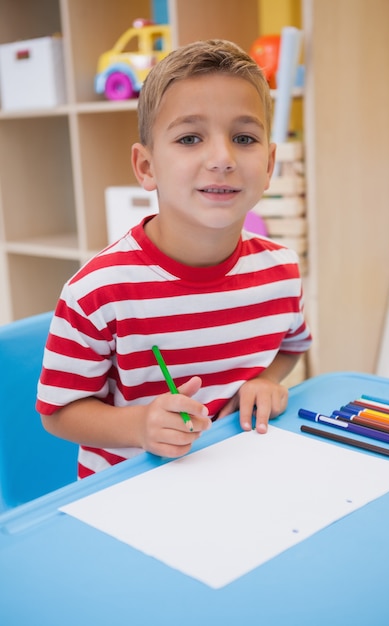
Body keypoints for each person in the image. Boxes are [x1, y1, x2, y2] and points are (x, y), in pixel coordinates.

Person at [37, 39, 312, 478]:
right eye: (190, 138)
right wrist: (140, 426)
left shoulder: (281, 271)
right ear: (146, 167)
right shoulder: (97, 292)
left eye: (244, 138)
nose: (222, 158)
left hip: (234, 476)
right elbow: (58, 411)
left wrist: (265, 381)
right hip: (129, 493)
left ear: (268, 165)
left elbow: (292, 346)